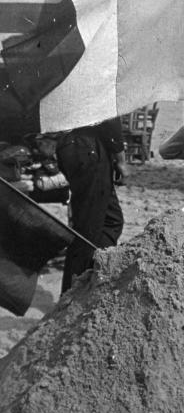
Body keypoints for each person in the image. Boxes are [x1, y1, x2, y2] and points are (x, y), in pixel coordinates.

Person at [56, 117, 128, 293]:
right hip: (87, 148)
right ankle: (72, 293)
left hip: (72, 146)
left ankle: (93, 278)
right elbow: (110, 118)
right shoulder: (97, 89)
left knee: (111, 220)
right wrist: (120, 159)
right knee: (87, 229)